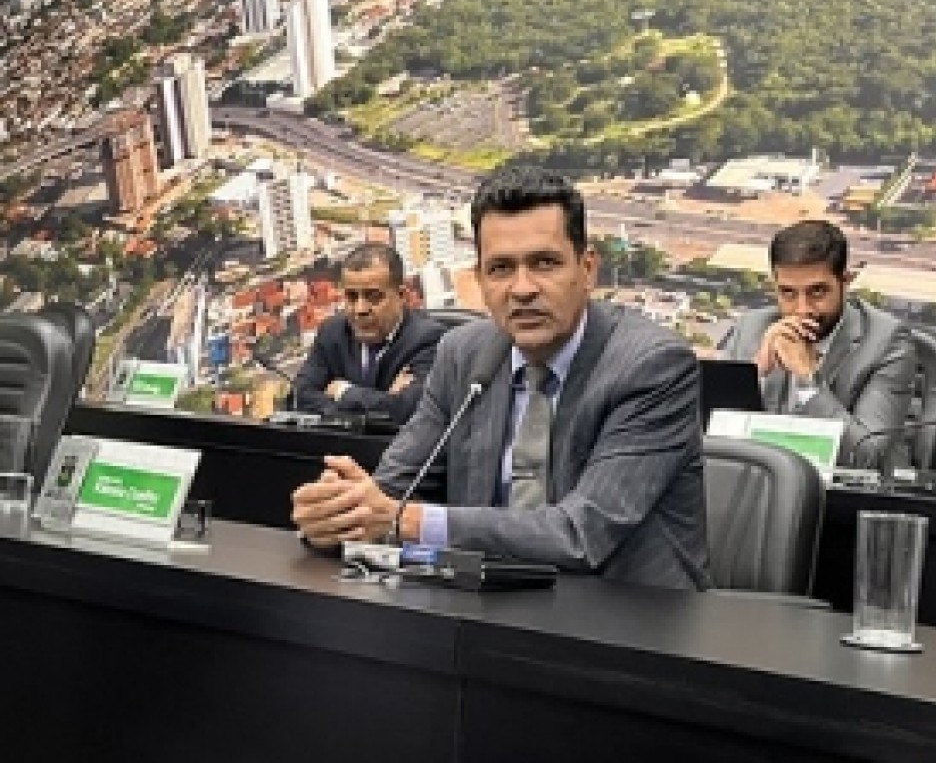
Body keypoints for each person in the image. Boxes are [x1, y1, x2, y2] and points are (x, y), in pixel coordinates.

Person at [292, 166, 710, 590]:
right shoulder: (462, 355)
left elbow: (581, 536)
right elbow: (389, 492)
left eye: (544, 263)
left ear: (587, 270)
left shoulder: (652, 365)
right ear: (480, 280)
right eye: (501, 268)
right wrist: (335, 514)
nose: (522, 289)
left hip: (625, 613)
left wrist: (405, 520)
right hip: (485, 605)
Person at [723, 219, 916, 468]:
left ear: (845, 281)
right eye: (788, 293)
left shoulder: (888, 341)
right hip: (766, 484)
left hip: (841, 489)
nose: (802, 309)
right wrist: (753, 376)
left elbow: (866, 457)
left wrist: (808, 379)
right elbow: (711, 436)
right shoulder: (750, 328)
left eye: (817, 292)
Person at [292, 242, 445, 425]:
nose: (360, 309)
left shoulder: (429, 339)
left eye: (373, 297)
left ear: (401, 296)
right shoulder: (332, 332)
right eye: (351, 297)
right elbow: (301, 394)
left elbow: (409, 410)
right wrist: (381, 404)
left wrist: (343, 392)